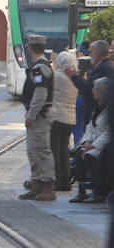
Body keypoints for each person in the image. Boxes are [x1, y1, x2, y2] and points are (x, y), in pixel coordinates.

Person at [19, 36, 56, 201]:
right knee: (34, 150)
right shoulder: (40, 67)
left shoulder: (39, 68)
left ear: (30, 48)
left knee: (41, 151)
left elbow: (40, 94)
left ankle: (47, 186)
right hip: (40, 115)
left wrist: (31, 115)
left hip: (40, 116)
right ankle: (37, 183)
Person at [52, 50, 79, 192]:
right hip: (70, 119)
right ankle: (66, 182)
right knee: (64, 151)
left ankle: (57, 180)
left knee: (55, 150)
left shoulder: (57, 77)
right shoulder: (75, 78)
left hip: (57, 118)